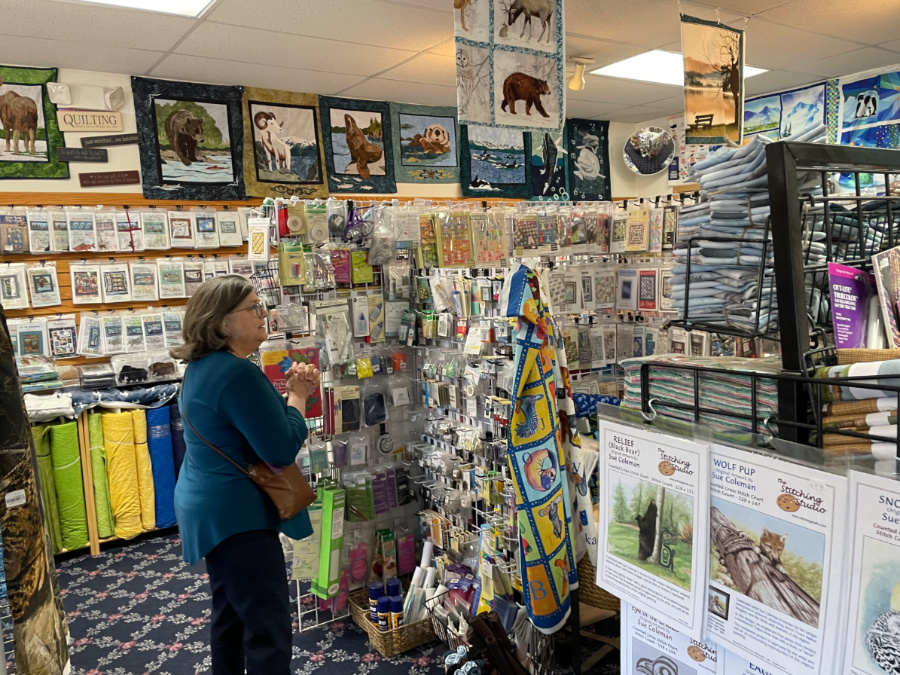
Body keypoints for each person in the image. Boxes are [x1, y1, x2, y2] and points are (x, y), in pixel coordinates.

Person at [170, 275, 319, 675]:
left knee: (231, 616)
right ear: (222, 323)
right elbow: (280, 450)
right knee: (267, 627)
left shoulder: (203, 367)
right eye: (253, 307)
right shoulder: (237, 373)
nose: (263, 314)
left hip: (211, 507)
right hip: (238, 517)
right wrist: (298, 397)